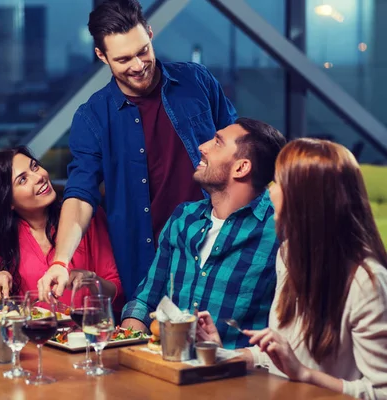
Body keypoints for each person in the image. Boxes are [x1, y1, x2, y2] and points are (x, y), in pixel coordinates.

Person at [38, 0, 237, 302]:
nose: (137, 65)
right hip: (145, 262)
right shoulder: (92, 117)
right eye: (123, 59)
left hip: (215, 245)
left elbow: (239, 148)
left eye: (143, 50)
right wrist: (61, 261)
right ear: (101, 56)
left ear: (150, 33)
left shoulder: (197, 82)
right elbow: (80, 195)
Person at [197, 139, 387, 398]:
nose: (270, 192)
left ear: (305, 199)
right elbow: (286, 356)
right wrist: (221, 354)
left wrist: (305, 375)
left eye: (279, 183)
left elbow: (381, 391)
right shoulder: (288, 255)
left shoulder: (367, 283)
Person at [121, 118, 286, 349]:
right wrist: (123, 345)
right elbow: (145, 300)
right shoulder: (183, 218)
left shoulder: (281, 231)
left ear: (241, 168)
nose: (202, 147)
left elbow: (289, 333)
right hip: (169, 367)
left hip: (237, 376)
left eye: (217, 143)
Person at [0, 146, 123, 310]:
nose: (39, 177)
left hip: (85, 332)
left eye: (35, 167)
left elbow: (118, 292)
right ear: (9, 202)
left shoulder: (84, 217)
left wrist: (92, 281)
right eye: (23, 179)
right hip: (30, 333)